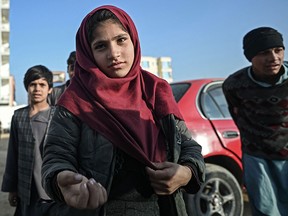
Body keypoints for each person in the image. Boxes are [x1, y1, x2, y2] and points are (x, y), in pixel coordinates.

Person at [41, 5, 205, 216]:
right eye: (101, 46)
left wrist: (187, 172)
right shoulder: (74, 101)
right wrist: (61, 179)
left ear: (133, 40)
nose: (114, 53)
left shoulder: (157, 90)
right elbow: (56, 155)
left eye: (121, 40)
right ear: (87, 54)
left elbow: (188, 146)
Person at [222, 27, 288, 216]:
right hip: (257, 157)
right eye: (264, 52)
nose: (274, 58)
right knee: (266, 209)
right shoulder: (234, 85)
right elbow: (237, 113)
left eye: (278, 50)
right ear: (250, 57)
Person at [1, 65, 55, 216]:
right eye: (33, 84)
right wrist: (12, 188)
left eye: (42, 85)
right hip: (26, 189)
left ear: (49, 89)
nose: (37, 89)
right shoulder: (19, 117)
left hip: (51, 189)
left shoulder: (57, 116)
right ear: (27, 88)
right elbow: (13, 155)